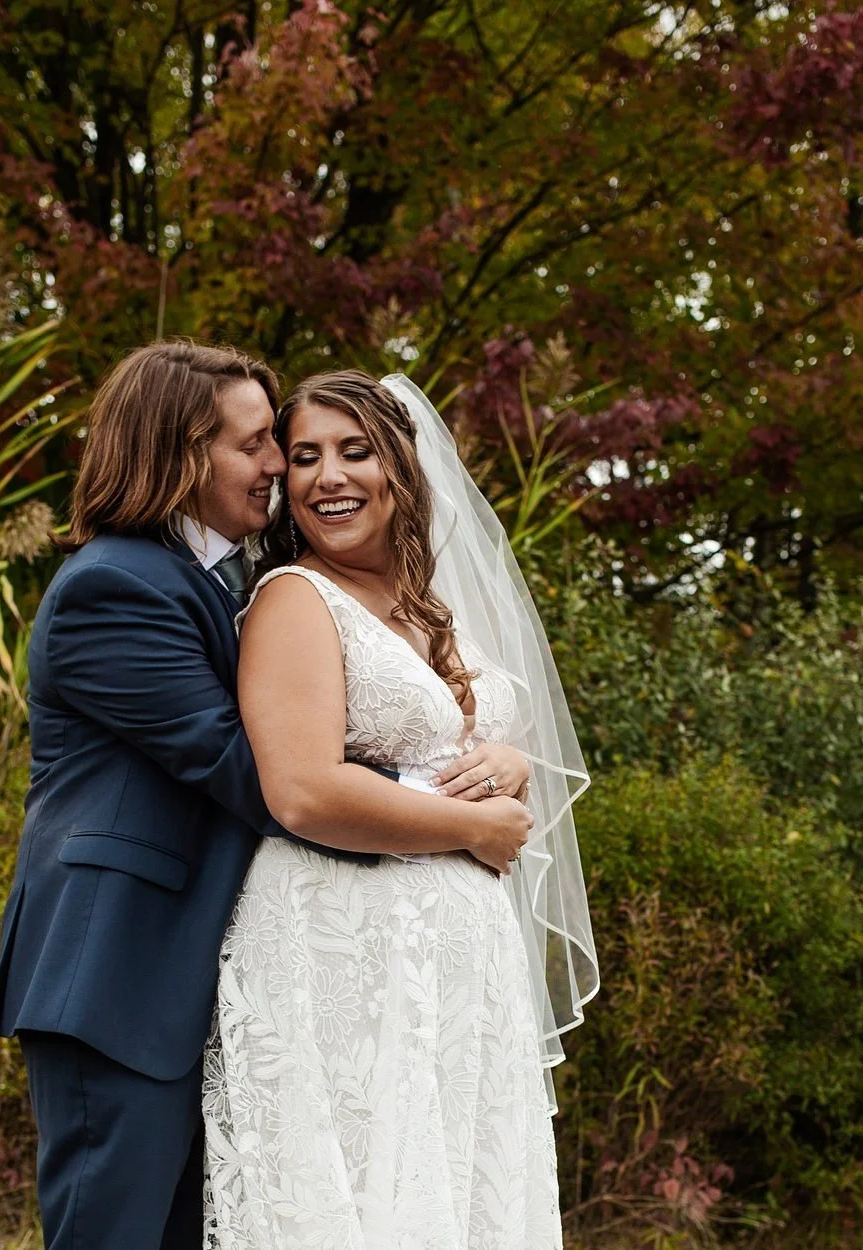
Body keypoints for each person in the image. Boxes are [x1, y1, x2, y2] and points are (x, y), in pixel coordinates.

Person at [0, 341, 532, 1250]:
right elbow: (258, 768)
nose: (278, 465)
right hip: (120, 972)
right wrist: (463, 804)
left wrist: (497, 758)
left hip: (210, 976)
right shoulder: (113, 588)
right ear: (179, 453)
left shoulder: (218, 576)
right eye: (257, 445)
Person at [204, 370, 599, 1249]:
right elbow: (302, 790)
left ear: (403, 467)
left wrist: (508, 767)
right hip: (343, 947)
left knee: (460, 1192)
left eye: (355, 451)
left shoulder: (435, 608)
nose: (326, 477)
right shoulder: (295, 600)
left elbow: (455, 745)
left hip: (459, 967)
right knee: (362, 1198)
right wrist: (478, 825)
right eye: (303, 457)